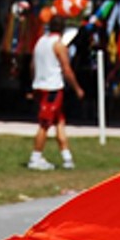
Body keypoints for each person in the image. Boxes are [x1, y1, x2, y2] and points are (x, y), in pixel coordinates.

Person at [25, 16, 86, 170]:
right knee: (45, 124)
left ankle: (67, 157)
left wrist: (34, 83)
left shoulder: (40, 42)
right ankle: (35, 157)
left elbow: (32, 65)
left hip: (40, 84)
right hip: (52, 87)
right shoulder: (58, 45)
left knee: (59, 121)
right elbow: (67, 69)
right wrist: (77, 88)